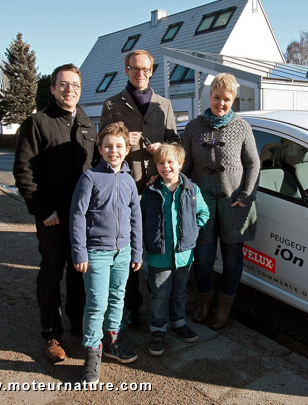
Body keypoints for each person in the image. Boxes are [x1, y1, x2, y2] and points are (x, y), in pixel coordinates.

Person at [13, 63, 97, 364]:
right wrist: (43, 209)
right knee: (51, 273)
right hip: (52, 216)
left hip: (82, 218)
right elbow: (23, 171)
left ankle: (78, 322)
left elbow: (96, 168)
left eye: (74, 85)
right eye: (63, 84)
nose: (69, 90)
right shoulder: (38, 123)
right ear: (52, 88)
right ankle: (51, 334)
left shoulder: (87, 123)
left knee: (79, 271)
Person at [100, 49, 179, 329]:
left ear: (152, 71)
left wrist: (164, 148)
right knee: (126, 251)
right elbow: (103, 147)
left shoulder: (164, 105)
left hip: (158, 189)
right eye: (134, 68)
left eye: (146, 69)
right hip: (126, 188)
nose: (140, 73)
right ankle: (131, 308)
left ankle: (164, 306)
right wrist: (128, 144)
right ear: (126, 70)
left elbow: (176, 146)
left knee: (157, 249)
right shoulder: (111, 106)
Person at [181, 72, 259, 330]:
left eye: (226, 99)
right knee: (202, 258)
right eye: (217, 97)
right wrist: (189, 198)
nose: (221, 103)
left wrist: (246, 195)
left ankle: (223, 308)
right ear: (209, 96)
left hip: (234, 205)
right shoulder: (193, 127)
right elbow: (185, 167)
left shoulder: (242, 126)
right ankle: (205, 302)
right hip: (202, 207)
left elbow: (253, 163)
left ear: (233, 99)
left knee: (232, 259)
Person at [69, 121, 143, 384]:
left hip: (123, 253)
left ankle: (113, 341)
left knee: (117, 299)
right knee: (96, 304)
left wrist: (137, 252)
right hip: (96, 254)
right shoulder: (90, 177)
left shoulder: (129, 180)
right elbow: (77, 215)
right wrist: (79, 252)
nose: (114, 151)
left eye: (119, 146)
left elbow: (136, 216)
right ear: (100, 149)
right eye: (108, 146)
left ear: (127, 149)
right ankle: (92, 353)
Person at [142, 144, 209, 355]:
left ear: (180, 164)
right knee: (159, 294)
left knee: (180, 292)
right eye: (160, 163)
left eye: (170, 162)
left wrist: (193, 231)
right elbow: (140, 217)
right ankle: (158, 329)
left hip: (183, 254)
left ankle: (178, 323)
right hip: (158, 255)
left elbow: (203, 213)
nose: (165, 167)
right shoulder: (150, 190)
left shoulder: (192, 189)